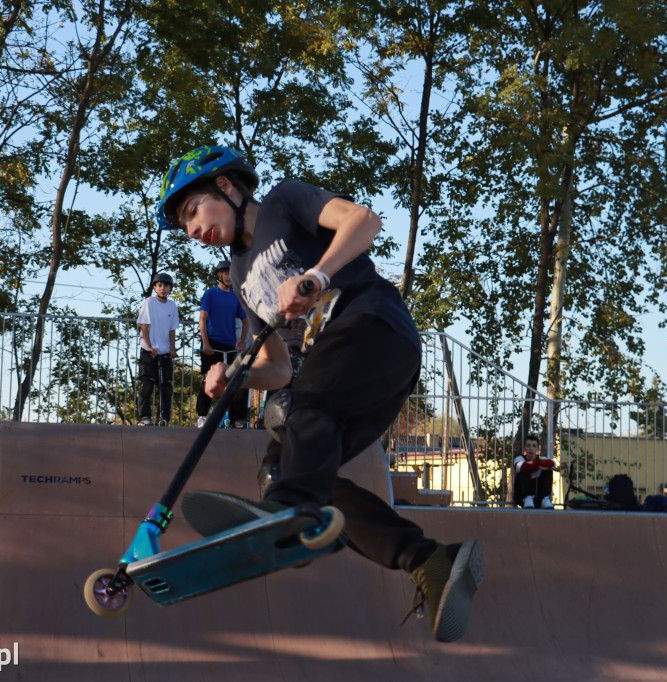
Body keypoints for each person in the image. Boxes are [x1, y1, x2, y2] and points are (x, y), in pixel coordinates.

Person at [155, 145, 484, 643]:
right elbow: (280, 369)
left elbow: (364, 220)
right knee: (289, 467)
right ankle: (430, 561)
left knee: (304, 425)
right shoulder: (242, 278)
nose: (191, 230)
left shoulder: (286, 202)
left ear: (225, 188)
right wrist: (236, 376)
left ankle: (289, 512)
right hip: (348, 375)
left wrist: (315, 276)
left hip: (372, 325)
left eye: (191, 212)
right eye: (184, 227)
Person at [196, 260, 251, 428]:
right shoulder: (210, 294)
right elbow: (203, 319)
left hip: (229, 345)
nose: (229, 277)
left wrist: (241, 340)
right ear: (219, 275)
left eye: (231, 273)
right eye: (226, 273)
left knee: (236, 381)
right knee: (208, 379)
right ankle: (202, 416)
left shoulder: (235, 296)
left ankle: (237, 419)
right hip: (211, 344)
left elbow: (246, 320)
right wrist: (205, 342)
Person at [136, 272, 179, 426]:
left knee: (166, 387)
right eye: (159, 285)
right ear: (154, 287)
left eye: (166, 286)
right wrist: (149, 346)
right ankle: (144, 417)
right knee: (147, 385)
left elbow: (172, 329)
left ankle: (164, 418)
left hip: (165, 351)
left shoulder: (172, 305)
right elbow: (144, 326)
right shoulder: (149, 303)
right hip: (149, 350)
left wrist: (173, 349)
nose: (162, 288)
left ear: (170, 288)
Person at [513, 434, 557, 508]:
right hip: (522, 498)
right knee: (523, 470)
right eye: (528, 446)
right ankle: (527, 498)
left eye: (534, 446)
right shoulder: (520, 458)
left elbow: (553, 464)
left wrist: (534, 464)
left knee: (548, 472)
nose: (531, 448)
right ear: (524, 448)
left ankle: (545, 499)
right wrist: (540, 466)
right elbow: (520, 467)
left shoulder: (542, 458)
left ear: (538, 449)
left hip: (538, 497)